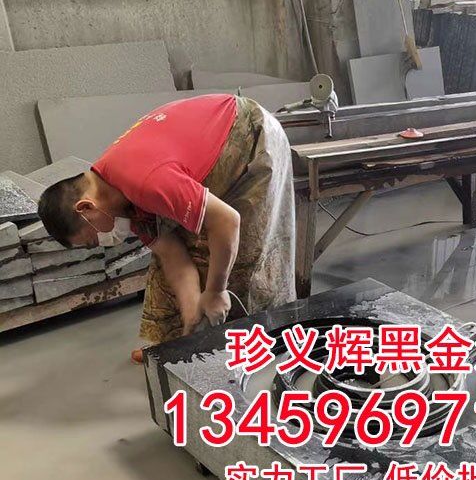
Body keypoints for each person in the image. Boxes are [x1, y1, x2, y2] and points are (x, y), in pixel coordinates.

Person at [37, 93, 296, 359]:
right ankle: (184, 342)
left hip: (249, 132)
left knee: (236, 253)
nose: (102, 242)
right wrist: (191, 316)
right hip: (206, 145)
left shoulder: (145, 182)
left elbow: (227, 221)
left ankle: (257, 340)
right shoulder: (120, 198)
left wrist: (215, 291)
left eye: (93, 240)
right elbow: (173, 256)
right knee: (174, 254)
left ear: (86, 207)